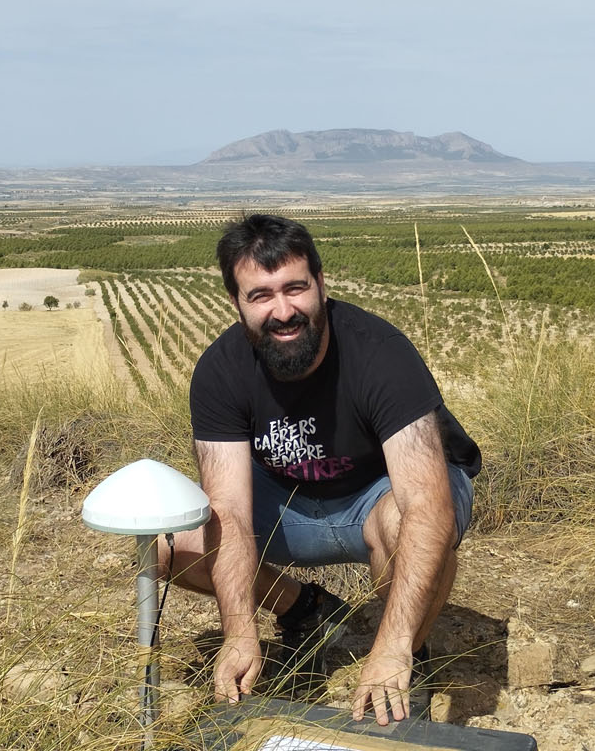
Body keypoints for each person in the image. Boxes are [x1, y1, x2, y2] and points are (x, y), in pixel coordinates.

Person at [162, 214, 482, 725]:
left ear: (321, 284)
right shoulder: (220, 371)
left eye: (295, 288)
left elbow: (427, 504)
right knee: (170, 542)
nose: (283, 311)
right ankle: (304, 609)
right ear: (236, 304)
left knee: (406, 525)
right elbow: (229, 512)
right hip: (290, 505)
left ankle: (406, 659)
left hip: (378, 497)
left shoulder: (381, 354)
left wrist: (393, 645)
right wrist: (240, 630)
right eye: (261, 295)